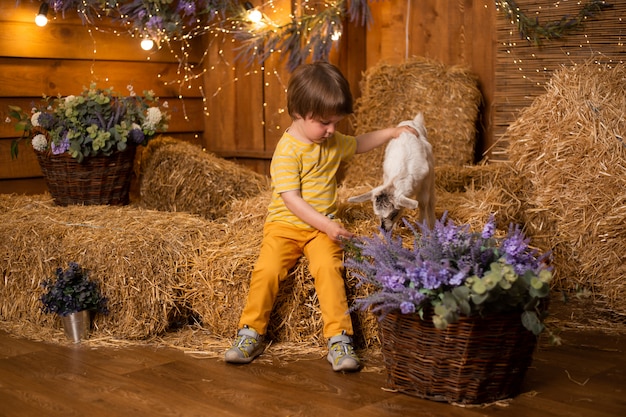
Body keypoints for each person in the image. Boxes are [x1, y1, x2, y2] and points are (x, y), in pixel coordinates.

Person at [224, 61, 417, 372]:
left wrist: (392, 133)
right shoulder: (288, 151)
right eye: (325, 123)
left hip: (319, 232)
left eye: (336, 123)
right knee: (267, 270)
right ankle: (250, 332)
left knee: (330, 270)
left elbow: (359, 144)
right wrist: (328, 225)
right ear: (300, 113)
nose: (332, 130)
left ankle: (339, 339)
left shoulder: (330, 141)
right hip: (285, 227)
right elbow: (292, 201)